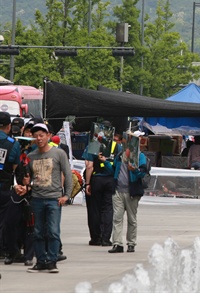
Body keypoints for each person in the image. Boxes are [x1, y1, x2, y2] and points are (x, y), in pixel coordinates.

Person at [27, 123, 72, 273]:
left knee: (53, 231)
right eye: (36, 136)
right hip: (37, 198)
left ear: (48, 136)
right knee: (38, 231)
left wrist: (67, 195)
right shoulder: (31, 156)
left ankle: (52, 261)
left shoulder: (59, 153)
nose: (39, 138)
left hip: (54, 199)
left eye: (41, 135)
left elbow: (68, 173)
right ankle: (40, 261)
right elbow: (28, 177)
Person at [109, 131, 148, 254]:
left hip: (132, 191)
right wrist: (104, 162)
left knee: (132, 219)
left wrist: (134, 170)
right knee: (117, 218)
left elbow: (143, 172)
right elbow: (113, 169)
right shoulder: (120, 155)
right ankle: (117, 243)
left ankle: (131, 243)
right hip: (118, 190)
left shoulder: (140, 156)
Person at [83, 128, 120, 247]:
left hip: (96, 180)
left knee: (95, 209)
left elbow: (89, 166)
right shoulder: (117, 146)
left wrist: (88, 183)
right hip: (110, 179)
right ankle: (106, 238)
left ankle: (96, 238)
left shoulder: (94, 145)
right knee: (108, 209)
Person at [0, 113, 22, 264]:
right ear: (9, 127)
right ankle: (7, 250)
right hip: (4, 187)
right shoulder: (13, 144)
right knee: (6, 221)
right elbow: (15, 167)